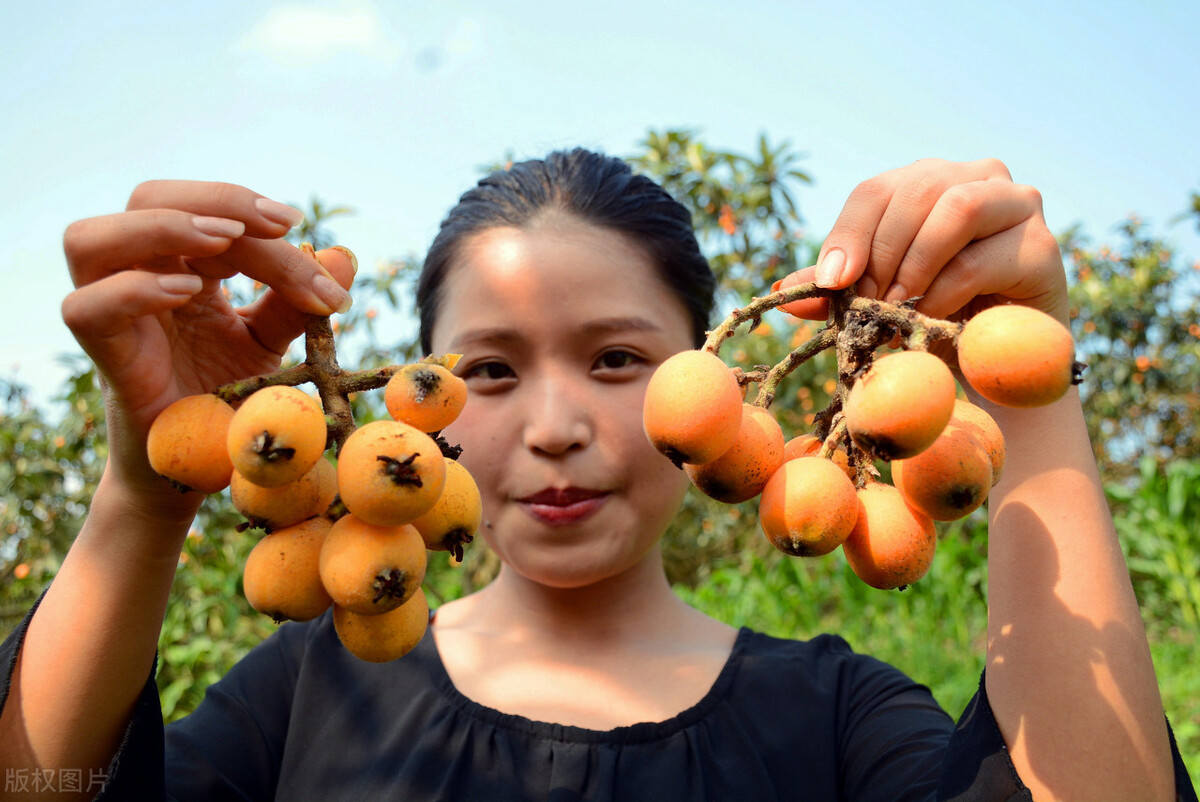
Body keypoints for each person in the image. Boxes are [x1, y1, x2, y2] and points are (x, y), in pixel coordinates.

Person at [0, 149, 1194, 801]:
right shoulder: (306, 691)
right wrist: (145, 494)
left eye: (620, 359)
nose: (559, 424)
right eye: (490, 369)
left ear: (717, 377)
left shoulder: (835, 718)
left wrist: (1031, 396)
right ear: (424, 400)